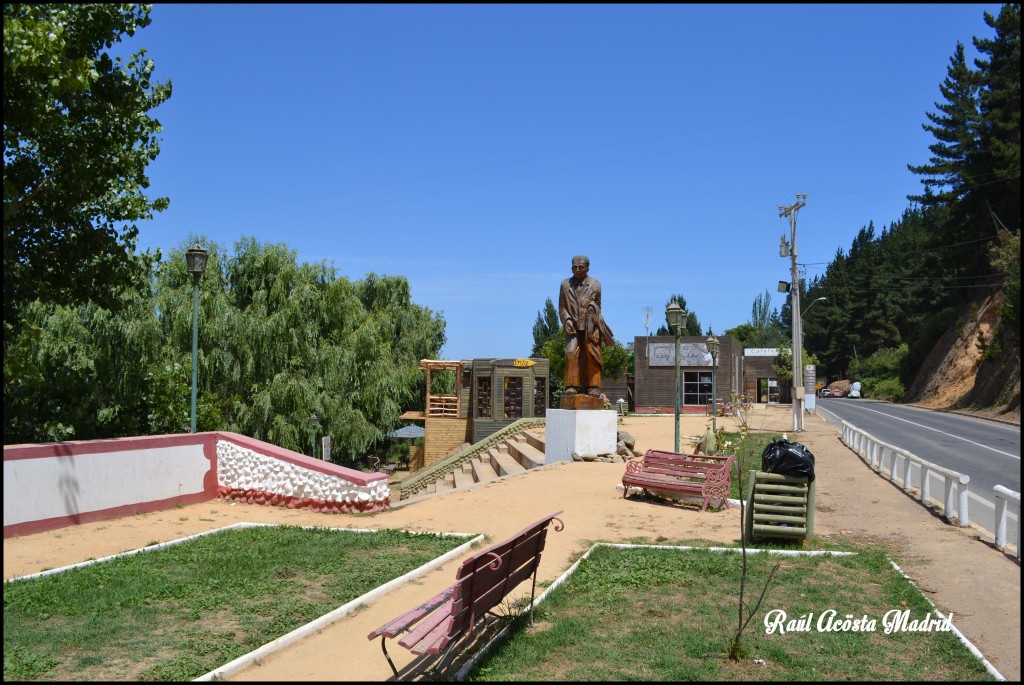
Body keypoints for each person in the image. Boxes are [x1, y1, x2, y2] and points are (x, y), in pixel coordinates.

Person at [559, 255, 613, 399]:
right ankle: (572, 386)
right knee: (571, 352)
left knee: (592, 355)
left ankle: (593, 386)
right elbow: (562, 307)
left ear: (587, 268)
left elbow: (599, 306)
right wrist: (567, 320)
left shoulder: (595, 284)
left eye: (581, 267)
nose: (577, 270)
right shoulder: (565, 284)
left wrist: (592, 312)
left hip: (590, 326)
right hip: (573, 327)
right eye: (574, 267)